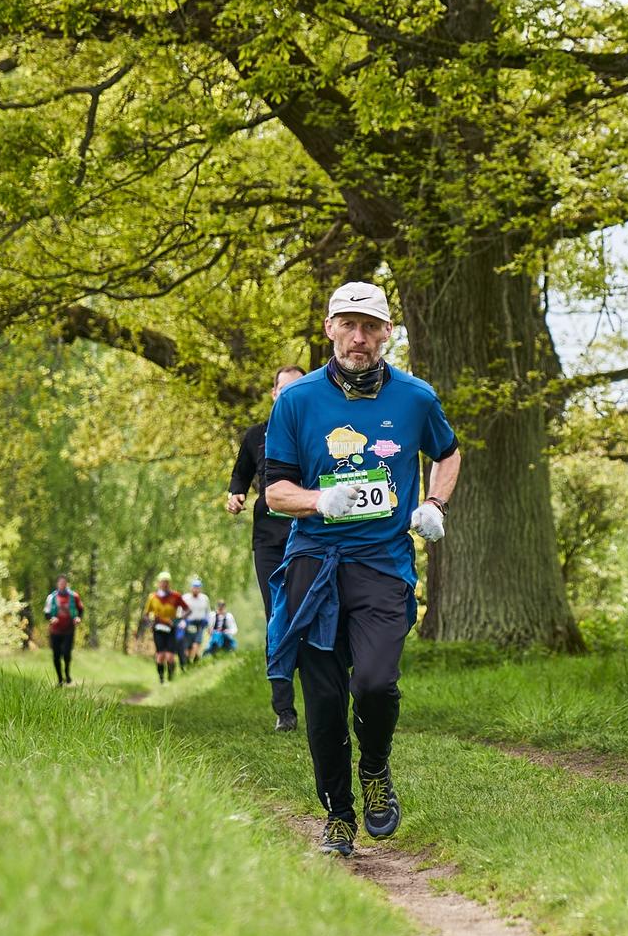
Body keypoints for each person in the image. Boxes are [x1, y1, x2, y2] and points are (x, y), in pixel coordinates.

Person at [265, 281, 461, 857]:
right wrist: (317, 502)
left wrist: (433, 503)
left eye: (370, 326)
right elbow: (274, 490)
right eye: (348, 325)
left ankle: (375, 769)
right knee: (323, 702)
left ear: (387, 333)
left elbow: (447, 452)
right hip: (314, 565)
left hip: (382, 565)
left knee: (374, 683)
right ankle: (338, 815)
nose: (359, 337)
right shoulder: (296, 401)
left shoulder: (416, 398)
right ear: (328, 329)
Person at [229, 365, 307, 729]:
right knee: (277, 615)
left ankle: (330, 694)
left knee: (315, 613)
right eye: (283, 389)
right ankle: (284, 710)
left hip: (311, 535)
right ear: (274, 393)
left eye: (297, 388)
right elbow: (240, 473)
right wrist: (235, 495)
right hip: (269, 540)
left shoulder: (318, 432)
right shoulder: (256, 435)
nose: (289, 395)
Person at [143, 571, 185, 684]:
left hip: (171, 629)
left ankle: (171, 676)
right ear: (159, 583)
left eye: (166, 582)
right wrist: (150, 624)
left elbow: (187, 609)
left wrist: (177, 620)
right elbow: (146, 615)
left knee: (170, 656)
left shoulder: (176, 596)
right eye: (162, 582)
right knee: (160, 656)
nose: (164, 584)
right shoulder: (153, 597)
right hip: (158, 629)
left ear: (169, 583)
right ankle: (161, 679)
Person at [43, 575, 83, 686]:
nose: (62, 585)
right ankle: (60, 679)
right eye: (60, 583)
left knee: (66, 653)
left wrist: (78, 617)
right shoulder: (51, 597)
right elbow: (46, 613)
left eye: (64, 583)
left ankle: (67, 673)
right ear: (57, 584)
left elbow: (80, 609)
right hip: (55, 631)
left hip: (69, 630)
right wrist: (51, 618)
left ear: (67, 584)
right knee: (56, 655)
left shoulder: (74, 596)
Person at [179, 576, 212, 669]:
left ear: (200, 589)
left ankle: (191, 660)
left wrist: (209, 626)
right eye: (194, 587)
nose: (196, 590)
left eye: (198, 588)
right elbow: (180, 611)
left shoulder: (204, 598)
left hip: (200, 624)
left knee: (196, 644)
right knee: (188, 646)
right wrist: (180, 621)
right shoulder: (185, 598)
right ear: (191, 588)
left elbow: (208, 612)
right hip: (188, 624)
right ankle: (189, 662)